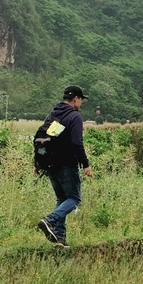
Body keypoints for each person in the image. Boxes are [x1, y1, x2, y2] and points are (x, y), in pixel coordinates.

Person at [36, 86, 93, 248]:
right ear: (75, 98)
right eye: (81, 99)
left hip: (50, 165)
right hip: (66, 165)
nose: (81, 103)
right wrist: (86, 164)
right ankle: (49, 220)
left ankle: (59, 238)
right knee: (74, 199)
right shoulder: (74, 116)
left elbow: (42, 140)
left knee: (62, 199)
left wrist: (38, 163)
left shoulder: (53, 114)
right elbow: (77, 143)